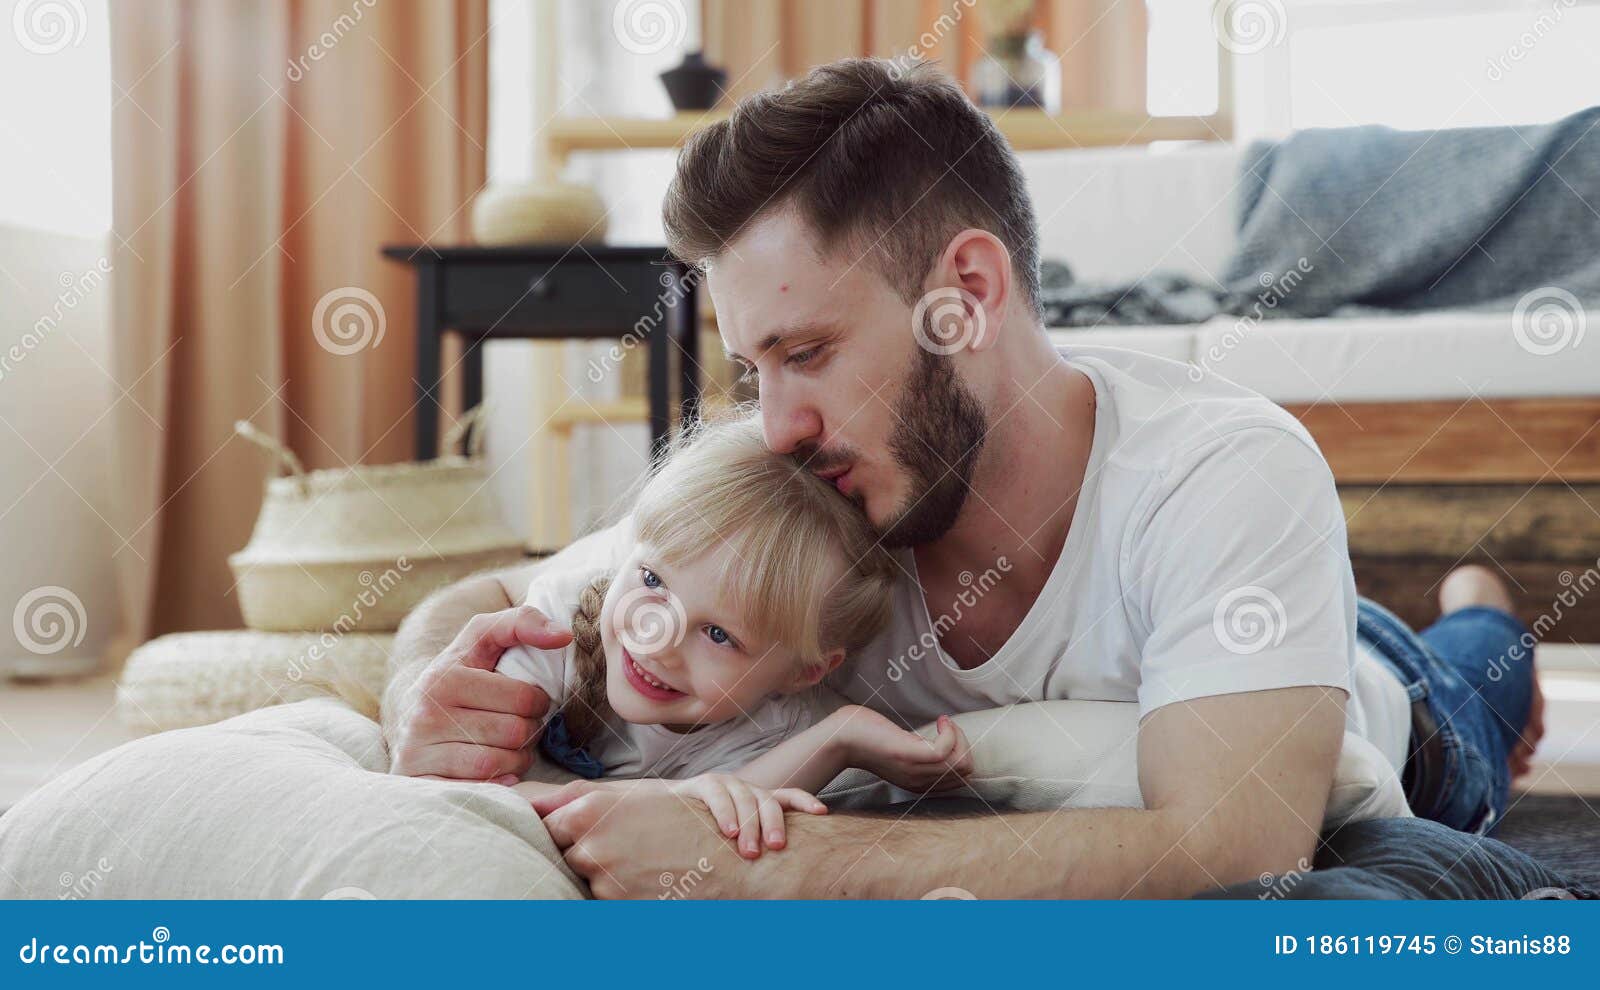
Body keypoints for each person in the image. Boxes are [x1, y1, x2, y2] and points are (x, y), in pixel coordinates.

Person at [382, 59, 1544, 898]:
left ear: (967, 294)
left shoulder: (1222, 471)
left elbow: (1237, 848)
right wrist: (423, 691)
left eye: (808, 354)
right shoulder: (808, 497)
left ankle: (1480, 614)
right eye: (750, 369)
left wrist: (796, 868)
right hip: (1249, 640)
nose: (774, 426)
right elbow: (488, 601)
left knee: (1469, 683)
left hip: (1377, 698)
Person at [492, 414, 975, 859]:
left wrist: (840, 737)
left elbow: (726, 819)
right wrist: (677, 798)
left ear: (804, 672)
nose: (659, 640)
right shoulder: (556, 627)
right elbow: (476, 789)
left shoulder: (773, 728)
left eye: (719, 634)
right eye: (654, 581)